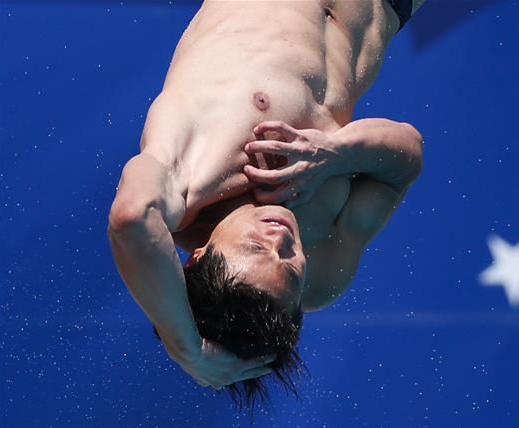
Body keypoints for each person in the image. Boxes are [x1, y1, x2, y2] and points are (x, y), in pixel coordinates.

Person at [107, 0, 425, 407]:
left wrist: (186, 345)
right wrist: (337, 153)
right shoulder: (322, 271)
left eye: (256, 248)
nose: (280, 239)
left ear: (198, 256)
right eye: (290, 270)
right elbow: (408, 154)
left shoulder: (185, 177)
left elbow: (131, 216)